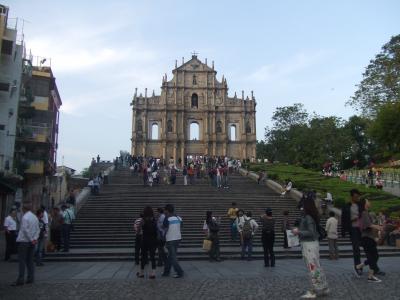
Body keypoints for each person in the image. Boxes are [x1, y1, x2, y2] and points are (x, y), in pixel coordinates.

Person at [292, 195, 329, 298]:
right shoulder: (309, 216)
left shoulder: (308, 217)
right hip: (311, 244)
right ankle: (323, 287)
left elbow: (311, 232)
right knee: (317, 266)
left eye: (302, 205)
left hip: (309, 245)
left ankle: (315, 290)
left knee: (312, 267)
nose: (301, 207)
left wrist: (298, 231)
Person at [355, 198, 385, 282]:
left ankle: (359, 267)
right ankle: (370, 276)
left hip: (368, 238)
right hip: (367, 238)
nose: (369, 202)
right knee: (374, 257)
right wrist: (379, 227)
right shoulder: (364, 213)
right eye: (368, 201)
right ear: (365, 203)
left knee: (373, 256)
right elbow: (368, 225)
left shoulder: (365, 212)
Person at [12, 202, 39, 286]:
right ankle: (31, 278)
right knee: (30, 260)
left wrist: (31, 239)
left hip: (24, 241)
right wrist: (34, 239)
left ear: (24, 209)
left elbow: (25, 230)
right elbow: (38, 229)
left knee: (22, 261)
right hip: (32, 242)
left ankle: (20, 279)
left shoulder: (25, 217)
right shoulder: (35, 217)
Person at [341, 189, 363, 276]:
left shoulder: (361, 205)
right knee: (356, 248)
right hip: (353, 229)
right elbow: (343, 219)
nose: (358, 198)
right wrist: (343, 231)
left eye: (358, 196)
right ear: (352, 197)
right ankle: (358, 267)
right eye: (356, 197)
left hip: (362, 228)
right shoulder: (346, 206)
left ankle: (374, 267)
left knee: (368, 247)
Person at [162, 204, 184, 278]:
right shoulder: (179, 218)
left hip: (170, 239)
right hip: (178, 239)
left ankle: (179, 271)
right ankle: (166, 272)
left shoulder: (167, 218)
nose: (164, 211)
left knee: (173, 257)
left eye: (164, 210)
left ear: (167, 210)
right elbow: (181, 227)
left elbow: (164, 228)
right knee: (171, 256)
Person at [136, 206, 158, 279]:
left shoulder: (143, 220)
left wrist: (140, 231)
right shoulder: (154, 219)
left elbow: (138, 230)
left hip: (145, 240)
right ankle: (153, 273)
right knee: (152, 257)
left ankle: (142, 273)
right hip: (153, 240)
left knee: (143, 257)